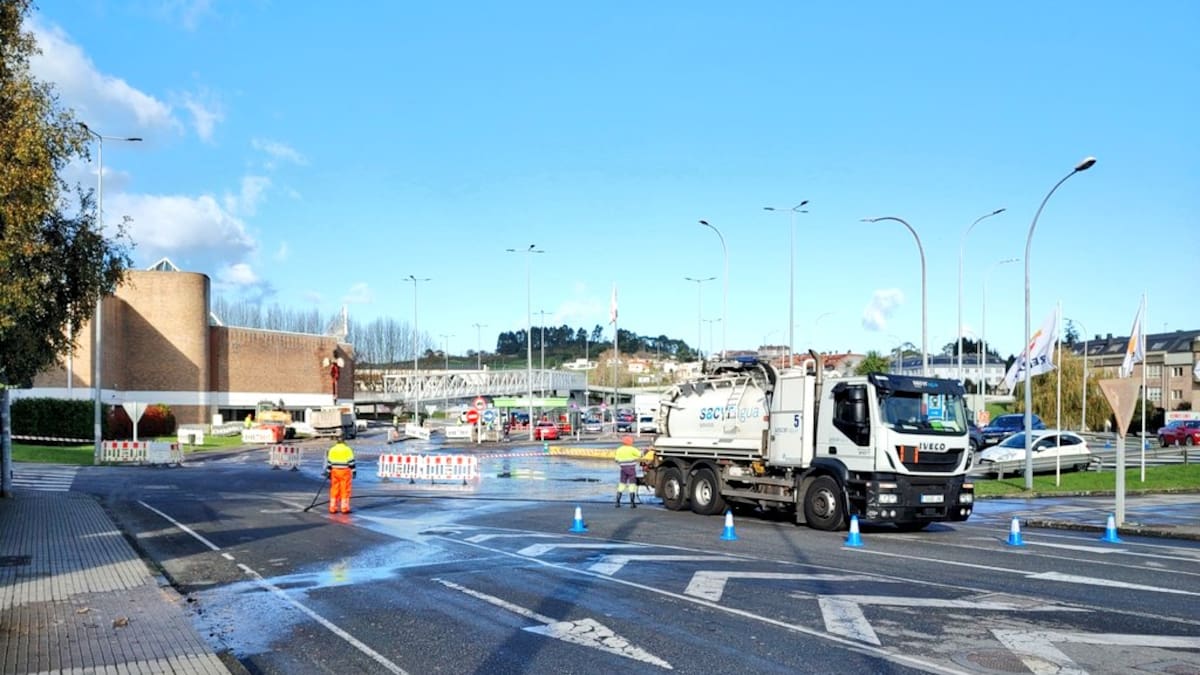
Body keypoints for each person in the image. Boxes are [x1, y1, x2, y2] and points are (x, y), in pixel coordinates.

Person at [323, 435, 357, 514]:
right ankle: (344, 508)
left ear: (337, 441)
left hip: (334, 471)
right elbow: (351, 462)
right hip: (345, 471)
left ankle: (332, 508)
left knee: (334, 489)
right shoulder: (347, 449)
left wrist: (328, 472)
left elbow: (329, 462)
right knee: (345, 489)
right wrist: (354, 471)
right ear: (344, 441)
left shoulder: (332, 449)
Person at [614, 435, 643, 508]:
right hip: (631, 469)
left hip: (623, 469)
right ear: (630, 442)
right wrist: (647, 450)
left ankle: (617, 502)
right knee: (632, 484)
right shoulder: (632, 449)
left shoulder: (619, 449)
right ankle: (632, 503)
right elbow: (640, 455)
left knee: (622, 484)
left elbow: (616, 460)